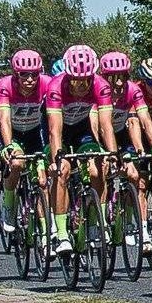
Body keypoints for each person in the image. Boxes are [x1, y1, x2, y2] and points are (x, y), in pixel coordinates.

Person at [46, 44, 112, 253]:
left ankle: (96, 223)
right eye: (76, 80)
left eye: (86, 80)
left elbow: (106, 125)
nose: (82, 85)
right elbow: (55, 131)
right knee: (62, 170)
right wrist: (58, 158)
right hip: (59, 130)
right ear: (68, 76)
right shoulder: (56, 86)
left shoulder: (100, 85)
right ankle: (62, 232)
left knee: (97, 168)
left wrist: (112, 153)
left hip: (81, 128)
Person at [97, 51, 152, 248]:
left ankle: (130, 222)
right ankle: (101, 221)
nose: (120, 82)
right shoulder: (97, 89)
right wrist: (107, 153)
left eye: (124, 76)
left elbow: (144, 119)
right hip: (98, 134)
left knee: (133, 175)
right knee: (102, 171)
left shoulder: (132, 90)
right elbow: (100, 125)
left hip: (121, 135)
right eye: (114, 77)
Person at [0, 49, 51, 233]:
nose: (30, 79)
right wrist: (9, 144)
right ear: (15, 74)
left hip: (35, 132)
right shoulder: (6, 85)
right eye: (24, 74)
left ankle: (46, 230)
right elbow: (4, 119)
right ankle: (9, 206)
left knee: (43, 181)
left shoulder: (46, 83)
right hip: (14, 133)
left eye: (34, 74)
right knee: (18, 164)